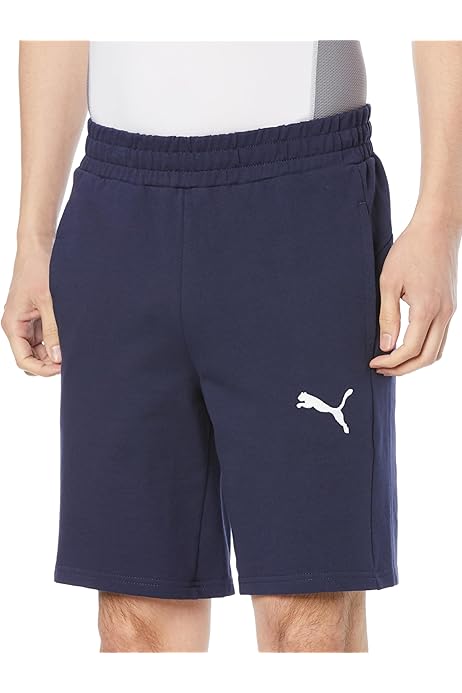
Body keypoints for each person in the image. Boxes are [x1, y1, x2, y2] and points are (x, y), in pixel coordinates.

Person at [1, 40, 460, 653]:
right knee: (135, 623)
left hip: (303, 193)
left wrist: (440, 220)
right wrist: (33, 237)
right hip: (119, 203)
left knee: (309, 620)